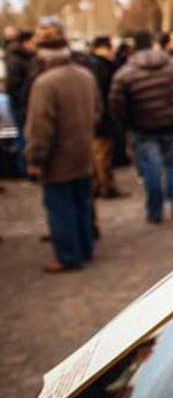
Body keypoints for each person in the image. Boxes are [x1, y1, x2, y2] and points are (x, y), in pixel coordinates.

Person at [24, 34, 99, 272]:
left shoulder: (45, 83)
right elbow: (97, 111)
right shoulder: (85, 75)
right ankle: (85, 247)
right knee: (81, 203)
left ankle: (68, 256)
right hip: (83, 151)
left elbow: (40, 126)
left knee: (60, 208)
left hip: (58, 159)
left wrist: (35, 159)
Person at [110, 31, 173, 224]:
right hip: (170, 124)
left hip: (143, 128)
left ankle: (155, 211)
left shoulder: (125, 73)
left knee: (151, 170)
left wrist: (128, 123)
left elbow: (116, 104)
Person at [83, 36, 125, 199]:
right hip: (103, 118)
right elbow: (102, 95)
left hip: (97, 117)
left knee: (98, 154)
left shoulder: (91, 64)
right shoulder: (100, 67)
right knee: (102, 155)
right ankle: (106, 187)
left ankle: (99, 185)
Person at [5, 29, 35, 176]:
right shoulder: (17, 60)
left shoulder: (22, 58)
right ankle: (24, 171)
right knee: (22, 138)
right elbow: (14, 86)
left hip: (22, 105)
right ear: (26, 43)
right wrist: (24, 102)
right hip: (21, 106)